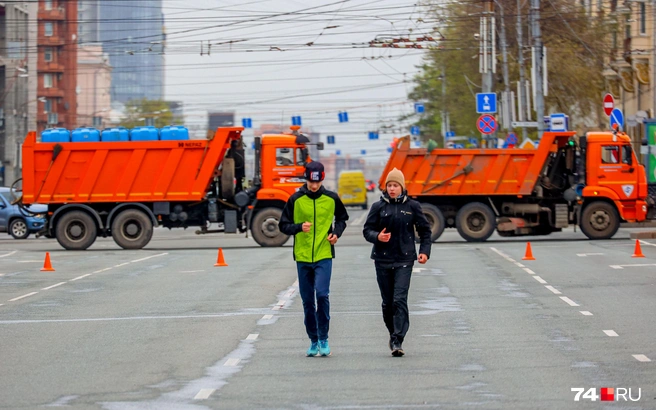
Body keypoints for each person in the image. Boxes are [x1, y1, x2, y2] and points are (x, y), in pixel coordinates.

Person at [279, 161, 349, 357]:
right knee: (308, 301)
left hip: (324, 254)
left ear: (322, 179)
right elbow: (282, 225)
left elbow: (342, 218)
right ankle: (313, 339)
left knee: (322, 295)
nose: (314, 186)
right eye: (311, 181)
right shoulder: (295, 199)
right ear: (306, 178)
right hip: (302, 256)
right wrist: (299, 227)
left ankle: (324, 337)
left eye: (317, 182)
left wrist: (336, 233)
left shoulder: (331, 198)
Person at [363, 167, 432, 357]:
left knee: (399, 299)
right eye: (389, 185)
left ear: (402, 187)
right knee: (387, 303)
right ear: (386, 188)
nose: (392, 189)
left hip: (404, 259)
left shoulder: (412, 207)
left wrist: (424, 252)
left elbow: (425, 231)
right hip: (382, 260)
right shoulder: (378, 207)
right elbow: (367, 230)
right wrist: (378, 236)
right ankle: (392, 333)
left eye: (395, 185)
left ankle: (398, 339)